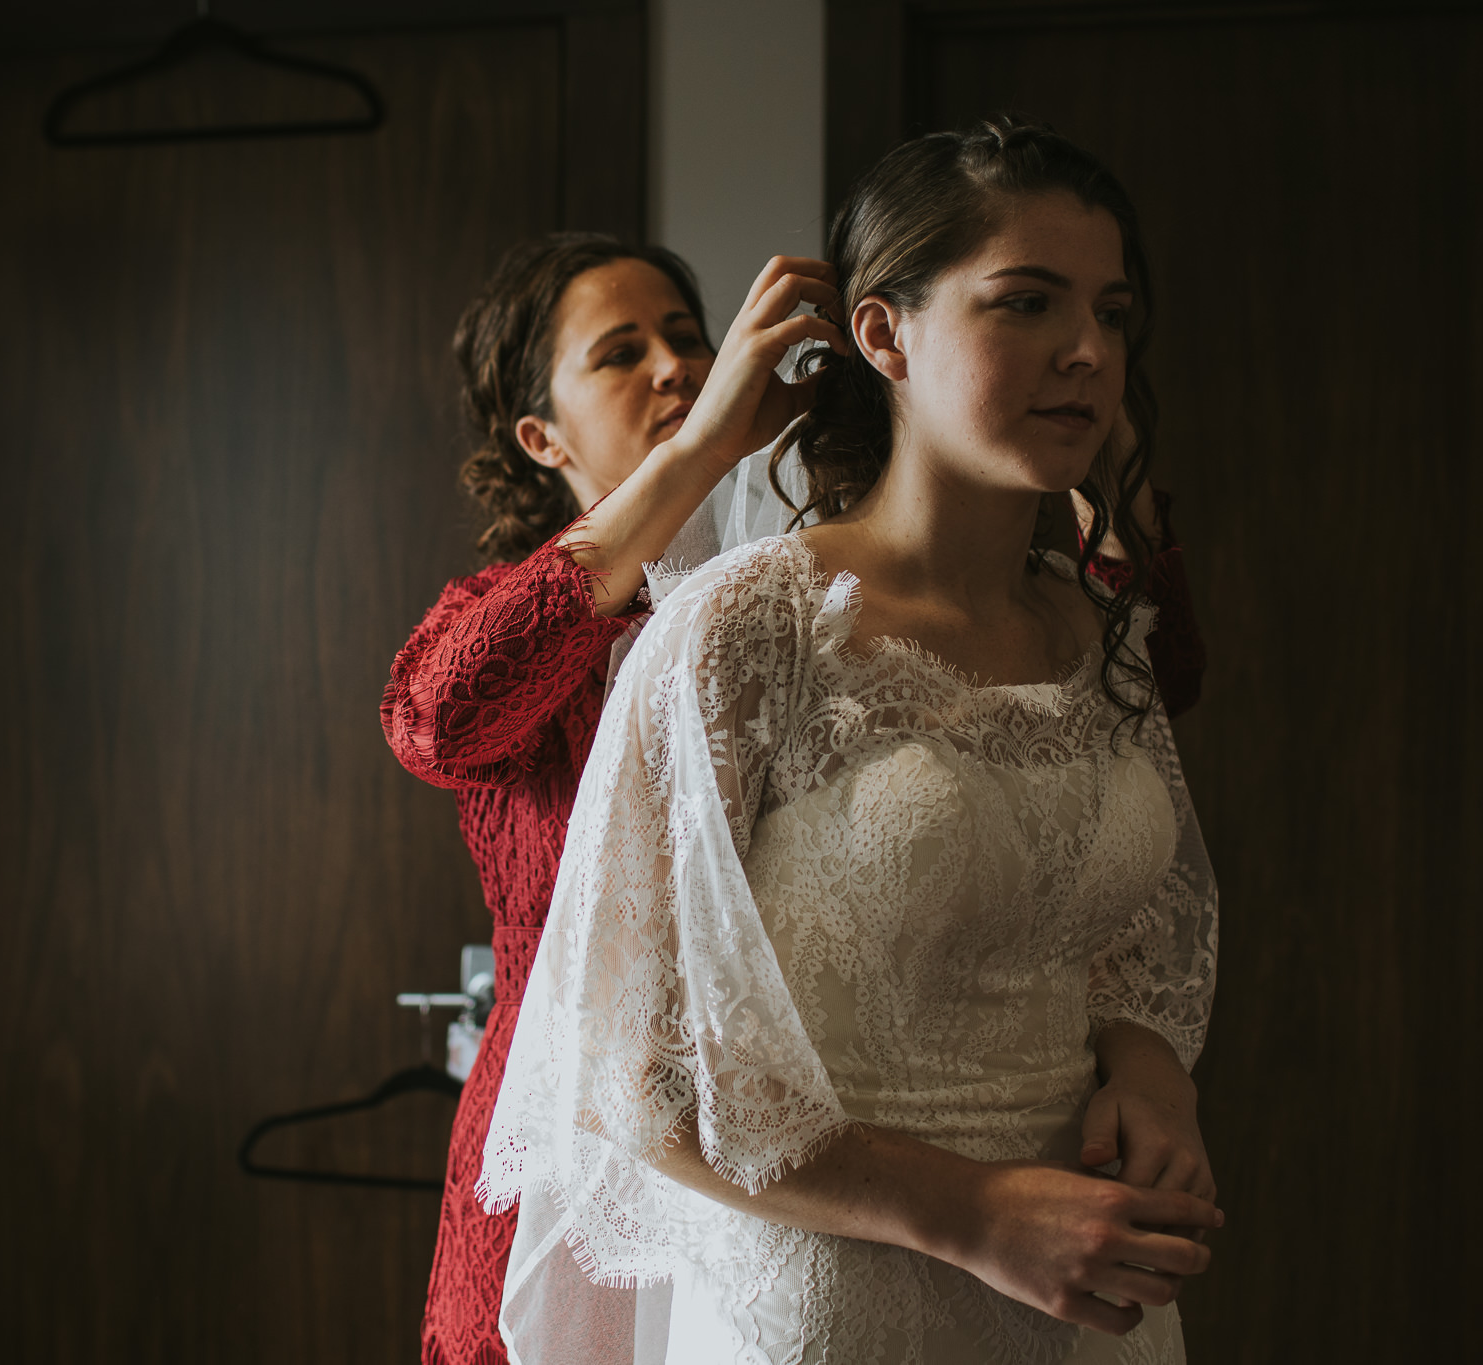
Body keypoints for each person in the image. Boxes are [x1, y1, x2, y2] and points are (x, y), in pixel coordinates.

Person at [384, 218, 1205, 1363]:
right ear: (540, 435)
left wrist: (1086, 452)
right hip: (585, 1167)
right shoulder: (522, 623)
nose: (672, 366)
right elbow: (435, 719)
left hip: (823, 1195)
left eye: (685, 335)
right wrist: (700, 449)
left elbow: (1149, 685)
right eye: (619, 355)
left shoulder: (804, 594)